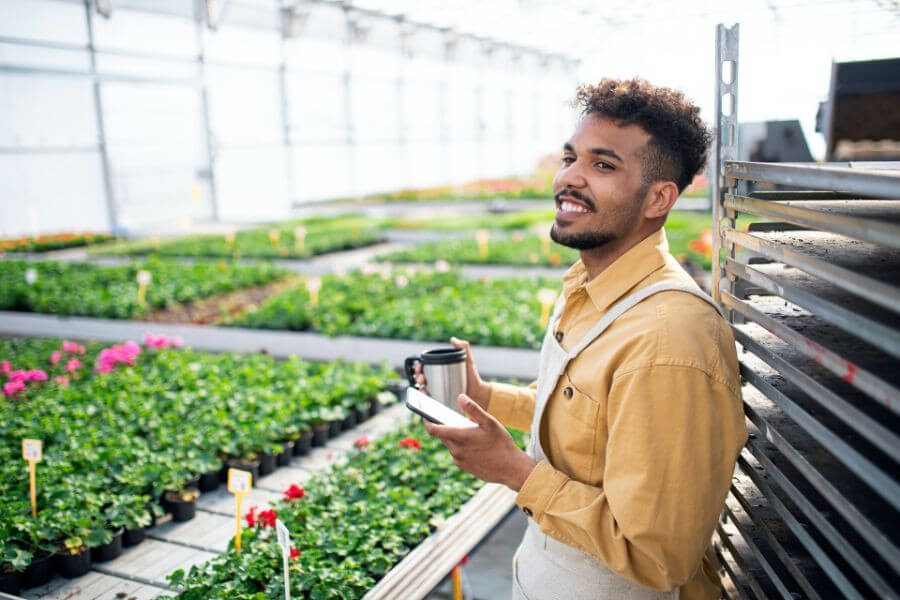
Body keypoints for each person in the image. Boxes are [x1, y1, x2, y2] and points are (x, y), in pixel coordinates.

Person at [416, 78, 747, 600]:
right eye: (570, 157)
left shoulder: (670, 342)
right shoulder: (587, 289)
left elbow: (658, 556)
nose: (568, 177)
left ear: (658, 197)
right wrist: (486, 398)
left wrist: (515, 472)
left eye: (603, 165)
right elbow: (591, 424)